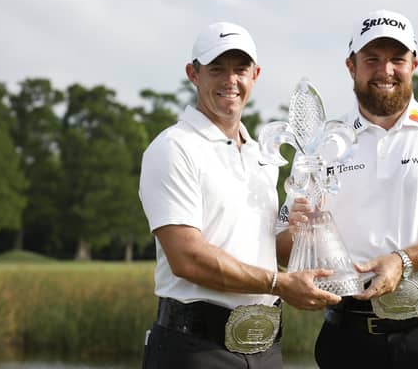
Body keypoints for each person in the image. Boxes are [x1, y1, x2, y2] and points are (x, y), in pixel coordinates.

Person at [276, 10, 418, 368]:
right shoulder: (321, 143)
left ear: (414, 63)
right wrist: (303, 236)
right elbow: (284, 242)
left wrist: (403, 261)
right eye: (372, 59)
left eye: (397, 59)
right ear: (351, 65)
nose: (386, 70)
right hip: (348, 335)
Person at [138, 21, 341, 369]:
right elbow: (187, 257)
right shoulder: (173, 148)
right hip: (194, 350)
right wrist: (280, 284)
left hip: (265, 352)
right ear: (193, 74)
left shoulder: (261, 155)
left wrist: (303, 231)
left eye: (240, 69)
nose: (230, 80)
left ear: (255, 74)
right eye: (217, 69)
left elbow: (267, 247)